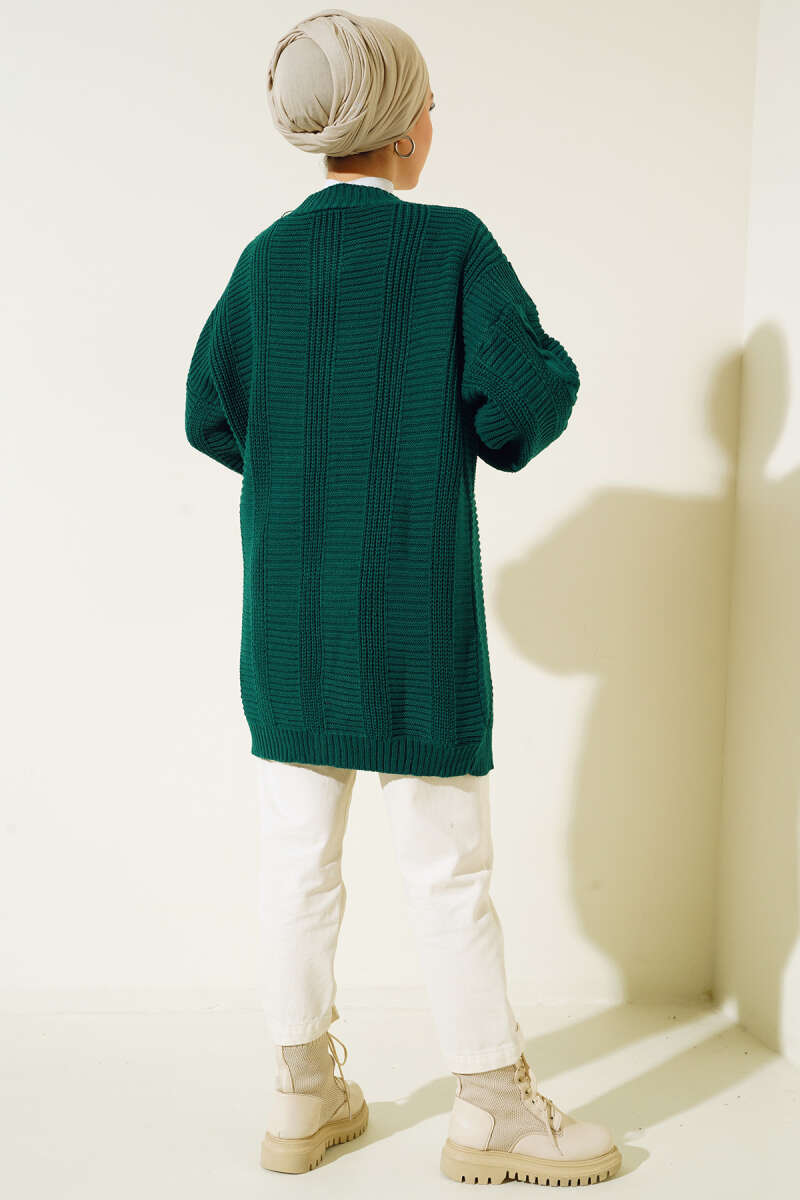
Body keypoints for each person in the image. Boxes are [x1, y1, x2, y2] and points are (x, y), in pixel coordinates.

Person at [185, 6, 621, 1188]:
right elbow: (522, 405)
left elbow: (208, 412)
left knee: (294, 861)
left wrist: (304, 464)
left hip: (287, 618)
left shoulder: (264, 261)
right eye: (428, 103)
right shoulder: (450, 247)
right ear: (405, 128)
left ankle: (300, 1090)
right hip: (413, 617)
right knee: (446, 867)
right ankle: (491, 1109)